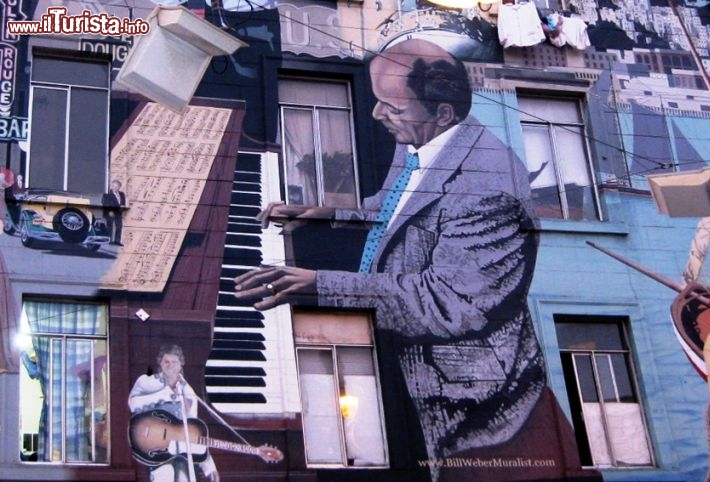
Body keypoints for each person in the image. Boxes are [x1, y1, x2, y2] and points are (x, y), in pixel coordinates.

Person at [234, 38, 565, 482]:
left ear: (442, 112)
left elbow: (447, 303)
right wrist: (326, 215)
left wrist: (319, 283)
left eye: (391, 106)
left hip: (476, 415)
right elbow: (395, 210)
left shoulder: (488, 188)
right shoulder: (424, 139)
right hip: (411, 360)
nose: (376, 114)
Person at [128, 345, 220, 482]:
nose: (170, 365)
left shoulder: (188, 392)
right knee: (164, 474)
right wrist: (164, 394)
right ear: (160, 363)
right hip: (154, 448)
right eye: (166, 361)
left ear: (180, 364)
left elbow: (193, 432)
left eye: (174, 362)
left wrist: (209, 467)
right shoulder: (146, 382)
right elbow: (132, 404)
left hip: (180, 452)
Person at [102, 179, 126, 246]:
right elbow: (104, 203)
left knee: (119, 226)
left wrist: (123, 207)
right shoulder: (107, 194)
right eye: (113, 186)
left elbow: (123, 202)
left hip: (119, 212)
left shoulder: (122, 194)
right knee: (110, 226)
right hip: (110, 212)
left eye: (116, 186)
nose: (114, 188)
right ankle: (109, 240)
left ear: (119, 187)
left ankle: (117, 241)